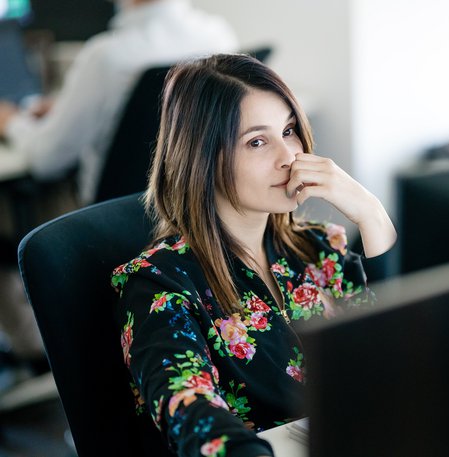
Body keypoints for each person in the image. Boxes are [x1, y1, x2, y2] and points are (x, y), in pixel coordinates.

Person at [111, 53, 396, 456]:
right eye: (257, 141)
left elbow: (395, 357)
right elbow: (188, 411)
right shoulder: (159, 284)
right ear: (204, 157)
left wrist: (371, 213)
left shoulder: (318, 249)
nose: (289, 157)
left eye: (290, 130)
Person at [0, 0, 238, 407]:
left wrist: (10, 121)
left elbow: (45, 158)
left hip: (110, 223)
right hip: (197, 216)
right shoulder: (216, 35)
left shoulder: (106, 55)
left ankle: (34, 350)